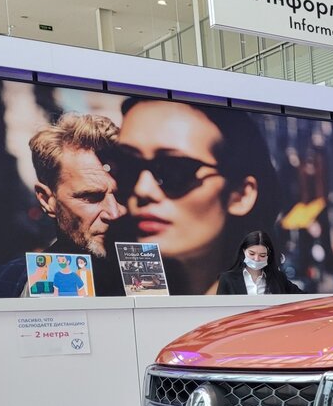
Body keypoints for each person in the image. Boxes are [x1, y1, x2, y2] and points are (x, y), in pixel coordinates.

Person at [108, 99, 278, 295]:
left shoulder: (276, 302)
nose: (142, 190)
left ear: (241, 194)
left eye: (175, 169)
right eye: (128, 166)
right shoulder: (108, 288)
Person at [0, 113, 125, 297]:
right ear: (47, 200)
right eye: (90, 197)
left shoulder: (161, 279)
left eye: (123, 195)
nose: (114, 213)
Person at [216, 231, 303, 295]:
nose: (256, 259)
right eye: (252, 254)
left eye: (262, 255)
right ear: (244, 251)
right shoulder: (227, 279)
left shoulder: (278, 278)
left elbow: (303, 297)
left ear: (268, 255)